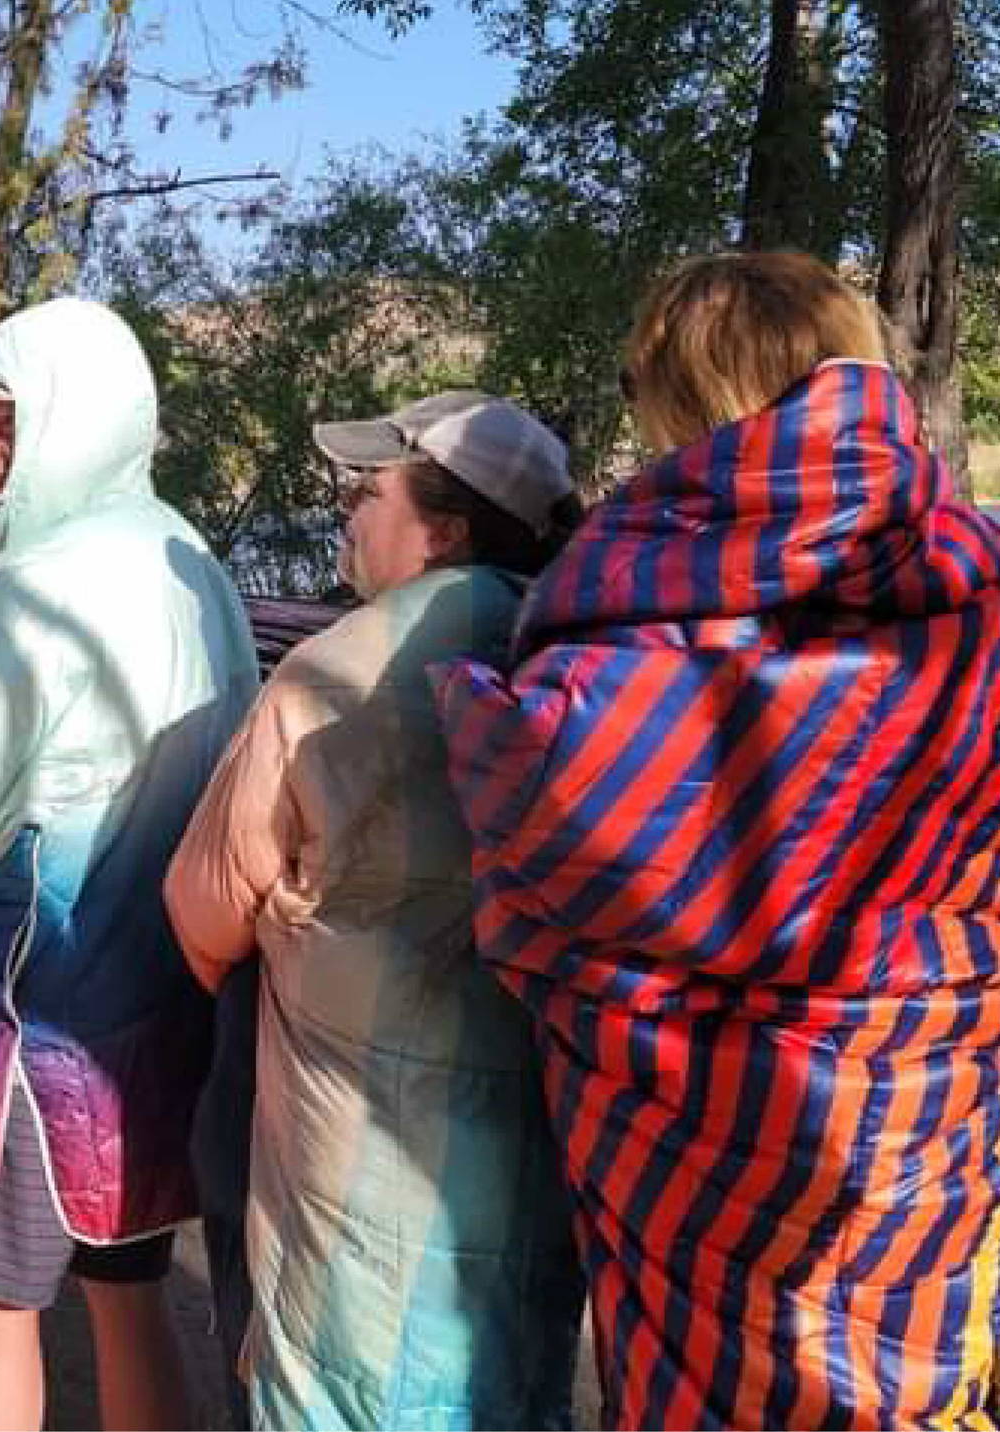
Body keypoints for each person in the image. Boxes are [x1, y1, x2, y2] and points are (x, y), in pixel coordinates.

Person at [433, 251, 1000, 1428]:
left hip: (703, 1147)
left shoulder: (625, 627)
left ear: (685, 410)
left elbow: (543, 807)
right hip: (936, 1117)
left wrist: (445, 686)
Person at [0, 297, 257, 1431]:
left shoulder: (21, 592)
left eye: (3, 424)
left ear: (71, 424)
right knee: (130, 1301)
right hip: (162, 1019)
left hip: (27, 1026)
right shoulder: (193, 563)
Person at [162, 391, 589, 1429]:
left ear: (442, 529)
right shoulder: (586, 660)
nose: (345, 511)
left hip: (353, 1147)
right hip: (539, 1127)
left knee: (334, 1374)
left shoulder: (336, 672)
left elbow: (202, 904)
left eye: (366, 491)